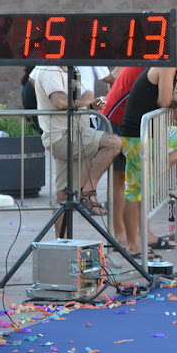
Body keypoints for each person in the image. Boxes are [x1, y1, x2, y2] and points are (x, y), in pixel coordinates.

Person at [120, 32, 177, 258]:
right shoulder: (166, 65)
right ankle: (133, 245)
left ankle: (157, 171)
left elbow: (175, 95)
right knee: (135, 193)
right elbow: (164, 100)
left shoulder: (173, 68)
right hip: (137, 135)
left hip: (147, 133)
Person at [35, 65, 122, 233]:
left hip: (75, 134)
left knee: (63, 194)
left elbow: (72, 104)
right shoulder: (49, 70)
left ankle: (63, 242)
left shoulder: (71, 69)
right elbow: (60, 102)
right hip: (62, 136)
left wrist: (89, 107)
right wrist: (86, 100)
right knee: (113, 143)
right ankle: (88, 189)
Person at [103, 65, 146, 247]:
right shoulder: (147, 59)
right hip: (118, 118)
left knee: (131, 179)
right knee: (119, 177)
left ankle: (137, 232)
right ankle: (118, 231)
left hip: (132, 119)